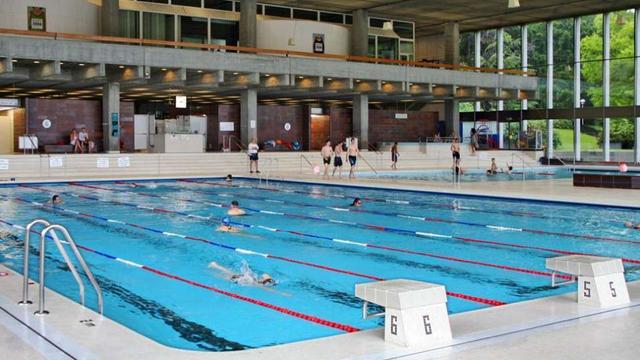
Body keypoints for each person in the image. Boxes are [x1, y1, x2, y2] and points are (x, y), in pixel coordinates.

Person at [208, 261, 276, 287]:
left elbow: (265, 275)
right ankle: (215, 266)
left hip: (247, 278)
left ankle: (215, 266)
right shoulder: (259, 283)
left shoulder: (260, 281)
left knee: (229, 274)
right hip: (246, 279)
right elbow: (265, 276)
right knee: (228, 275)